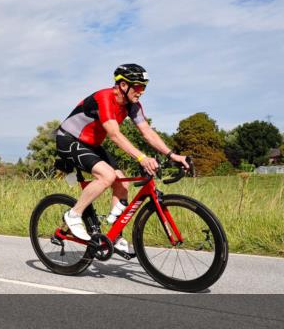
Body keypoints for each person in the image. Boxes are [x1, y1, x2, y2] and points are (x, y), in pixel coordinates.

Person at [55, 63, 190, 254]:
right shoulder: (105, 98)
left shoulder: (132, 106)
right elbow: (115, 135)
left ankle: (114, 234)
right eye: (138, 86)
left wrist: (172, 154)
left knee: (122, 184)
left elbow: (146, 132)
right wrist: (142, 158)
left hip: (91, 144)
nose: (141, 91)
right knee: (107, 176)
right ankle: (73, 214)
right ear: (122, 85)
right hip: (68, 139)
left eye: (144, 87)